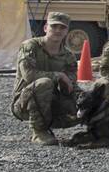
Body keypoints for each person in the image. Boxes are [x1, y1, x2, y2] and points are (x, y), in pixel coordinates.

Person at [11, 12, 79, 145]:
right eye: (54, 26)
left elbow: (71, 83)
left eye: (62, 27)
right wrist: (58, 75)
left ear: (67, 31)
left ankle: (51, 122)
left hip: (52, 101)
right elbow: (29, 75)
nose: (58, 30)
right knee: (44, 83)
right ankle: (39, 132)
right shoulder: (30, 46)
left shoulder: (68, 56)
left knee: (82, 105)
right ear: (45, 28)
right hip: (24, 103)